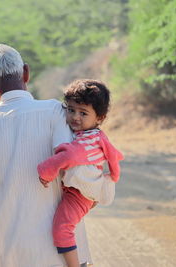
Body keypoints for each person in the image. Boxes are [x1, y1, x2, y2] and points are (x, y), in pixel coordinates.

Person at [0, 44, 98, 266]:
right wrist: (95, 194)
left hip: (11, 253)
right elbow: (76, 169)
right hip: (58, 253)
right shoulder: (54, 111)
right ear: (26, 73)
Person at [37, 79, 124, 267]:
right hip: (85, 190)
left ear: (99, 118)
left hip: (79, 194)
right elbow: (114, 155)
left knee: (62, 229)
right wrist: (113, 176)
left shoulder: (82, 145)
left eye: (83, 113)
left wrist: (44, 173)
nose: (75, 117)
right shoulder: (96, 135)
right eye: (71, 110)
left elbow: (66, 157)